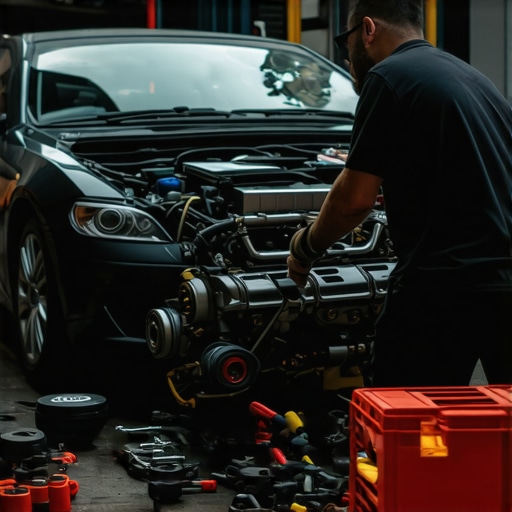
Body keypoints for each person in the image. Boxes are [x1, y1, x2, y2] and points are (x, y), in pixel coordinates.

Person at [287, 0, 512, 387]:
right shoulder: (473, 78)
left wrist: (305, 247)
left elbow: (352, 201)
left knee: (410, 422)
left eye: (347, 41)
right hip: (504, 281)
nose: (348, 58)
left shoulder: (388, 76)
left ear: (368, 30)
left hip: (443, 288)